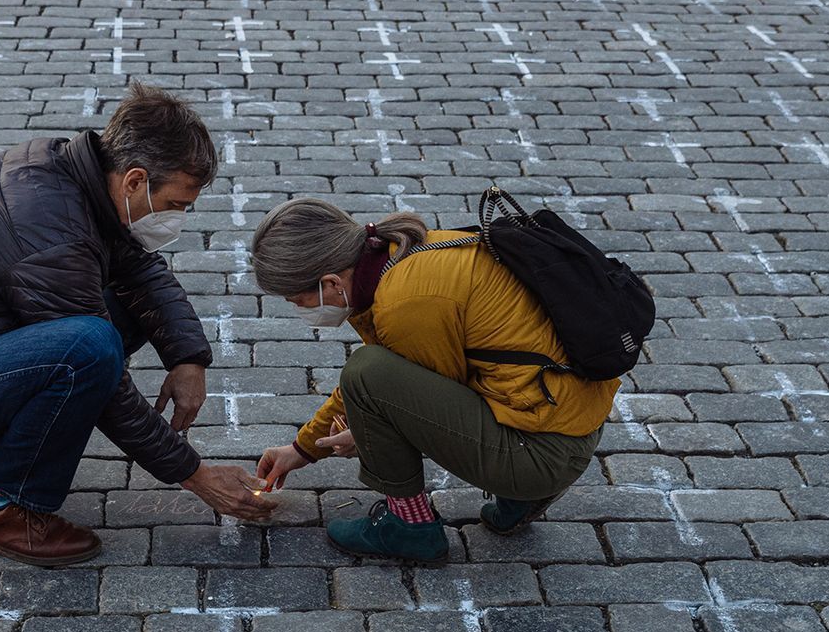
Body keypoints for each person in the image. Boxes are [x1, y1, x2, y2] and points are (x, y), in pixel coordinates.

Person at [0, 82, 270, 566]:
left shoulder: (72, 173)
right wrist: (193, 473)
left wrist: (187, 358)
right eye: (176, 203)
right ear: (134, 181)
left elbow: (139, 266)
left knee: (112, 320)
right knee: (89, 346)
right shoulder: (49, 230)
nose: (177, 218)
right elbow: (101, 383)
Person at [250, 199, 621, 562]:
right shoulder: (404, 252)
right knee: (372, 374)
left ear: (331, 282)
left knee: (366, 369)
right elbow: (400, 379)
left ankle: (408, 527)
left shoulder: (406, 303)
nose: (301, 311)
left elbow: (388, 391)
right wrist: (302, 449)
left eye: (298, 301)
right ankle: (519, 498)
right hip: (564, 423)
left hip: (540, 453)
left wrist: (366, 435)